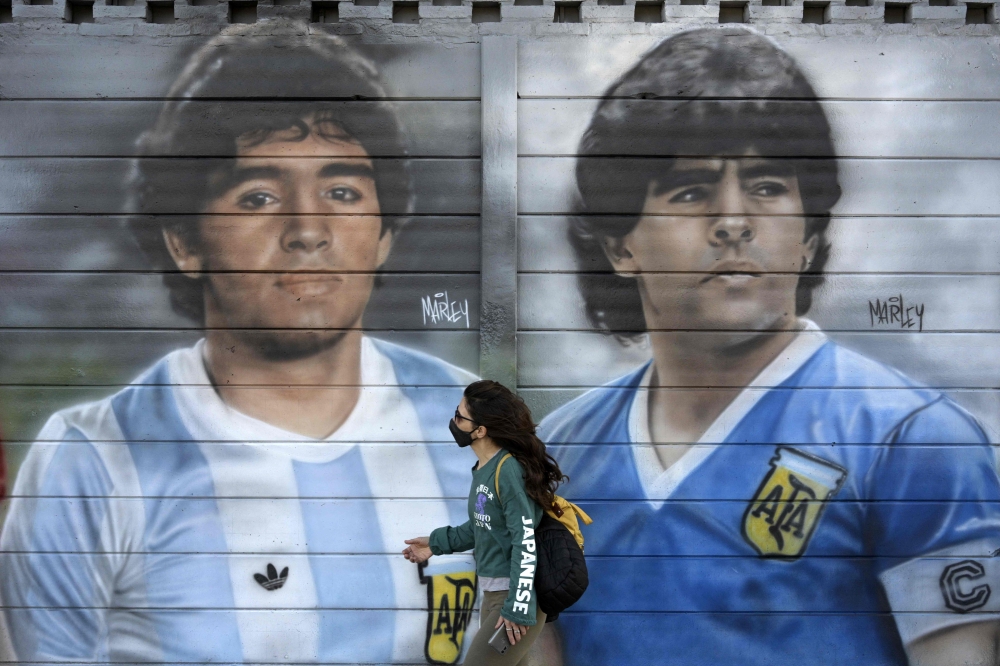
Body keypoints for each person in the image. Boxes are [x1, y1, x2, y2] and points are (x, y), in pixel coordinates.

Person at [0, 25, 481, 664]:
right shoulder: (91, 460)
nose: (308, 230)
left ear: (385, 234)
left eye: (342, 193)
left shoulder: (480, 429)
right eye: (258, 196)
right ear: (185, 243)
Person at [538, 27, 1000, 666]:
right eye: (691, 190)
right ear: (621, 244)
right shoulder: (553, 457)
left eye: (767, 186)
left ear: (809, 235)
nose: (733, 220)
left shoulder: (910, 440)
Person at [403, 381, 566, 665]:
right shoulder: (483, 469)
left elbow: (524, 542)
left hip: (514, 598)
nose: (453, 420)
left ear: (480, 431)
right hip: (493, 594)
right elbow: (481, 526)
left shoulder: (508, 471)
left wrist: (517, 607)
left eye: (460, 416)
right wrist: (434, 544)